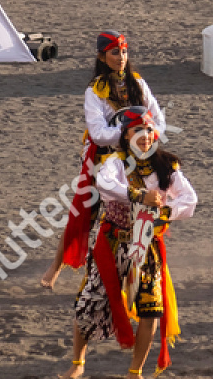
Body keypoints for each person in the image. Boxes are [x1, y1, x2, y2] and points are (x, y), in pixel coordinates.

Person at [60, 108, 196, 379]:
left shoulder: (166, 167)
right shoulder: (115, 163)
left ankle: (135, 371)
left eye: (148, 131)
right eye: (138, 131)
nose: (145, 137)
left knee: (151, 309)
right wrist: (139, 196)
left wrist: (166, 211)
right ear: (125, 136)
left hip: (147, 248)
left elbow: (190, 199)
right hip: (112, 244)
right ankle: (77, 364)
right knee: (89, 303)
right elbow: (106, 186)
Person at [41, 32, 162, 290]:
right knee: (86, 212)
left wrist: (147, 137)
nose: (121, 58)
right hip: (106, 157)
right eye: (115, 52)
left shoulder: (138, 84)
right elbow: (97, 133)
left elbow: (158, 119)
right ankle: (55, 267)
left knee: (152, 206)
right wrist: (127, 135)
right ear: (102, 56)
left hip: (140, 154)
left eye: (124, 52)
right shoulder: (95, 91)